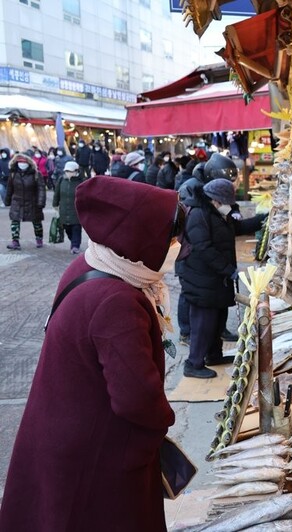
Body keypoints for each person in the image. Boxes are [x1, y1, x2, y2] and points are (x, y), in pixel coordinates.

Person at [0, 177, 181, 531]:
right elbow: (136, 397)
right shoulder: (117, 299)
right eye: (171, 238)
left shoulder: (95, 262)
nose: (174, 247)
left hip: (63, 431)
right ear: (141, 235)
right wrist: (161, 425)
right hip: (94, 451)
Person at [179, 178, 264, 378]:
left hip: (215, 279)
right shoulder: (199, 214)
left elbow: (239, 227)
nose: (229, 207)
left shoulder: (217, 214)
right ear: (215, 200)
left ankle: (214, 355)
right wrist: (228, 269)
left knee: (217, 318)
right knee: (203, 322)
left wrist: (263, 218)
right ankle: (193, 363)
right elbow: (203, 248)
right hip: (200, 278)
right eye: (226, 202)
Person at [4, 152, 46, 250]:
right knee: (15, 221)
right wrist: (7, 201)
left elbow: (41, 189)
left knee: (36, 221)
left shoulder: (36, 174)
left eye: (24, 162)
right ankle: (15, 241)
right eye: (19, 162)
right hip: (17, 201)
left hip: (32, 202)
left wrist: (41, 202)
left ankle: (39, 238)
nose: (22, 164)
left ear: (29, 163)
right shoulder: (13, 174)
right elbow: (9, 189)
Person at [53, 161, 86, 254]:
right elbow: (57, 193)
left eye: (70, 171)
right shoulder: (61, 180)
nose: (68, 173)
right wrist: (55, 204)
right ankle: (73, 241)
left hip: (76, 209)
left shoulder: (81, 181)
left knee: (76, 227)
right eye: (67, 171)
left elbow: (86, 196)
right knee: (67, 227)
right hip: (64, 209)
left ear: (76, 171)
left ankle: (75, 245)